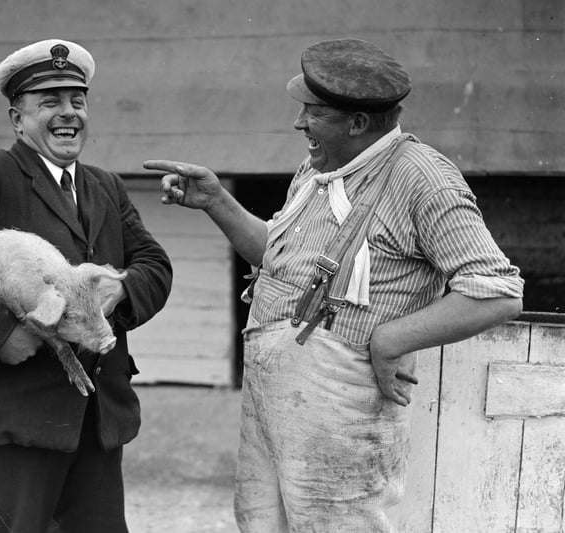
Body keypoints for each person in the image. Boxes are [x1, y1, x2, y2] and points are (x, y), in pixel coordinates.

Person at [145, 38, 523, 532]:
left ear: (358, 122)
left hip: (342, 404)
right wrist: (217, 201)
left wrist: (392, 339)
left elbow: (496, 290)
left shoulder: (424, 179)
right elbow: (281, 258)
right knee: (262, 521)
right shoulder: (318, 166)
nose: (299, 123)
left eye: (314, 112)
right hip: (274, 393)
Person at [0, 39, 172, 533]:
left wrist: (119, 291)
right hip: (19, 421)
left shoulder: (104, 185)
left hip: (98, 420)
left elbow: (154, 263)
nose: (68, 114)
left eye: (77, 101)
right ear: (17, 119)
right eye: (49, 103)